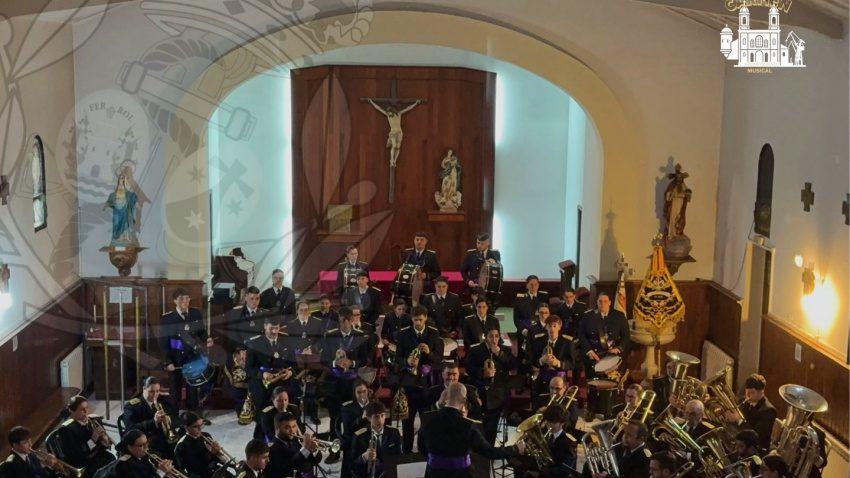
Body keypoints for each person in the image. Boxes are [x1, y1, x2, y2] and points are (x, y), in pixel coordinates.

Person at [417, 382, 525, 478]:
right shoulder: (467, 425)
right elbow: (488, 452)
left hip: (433, 472)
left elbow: (421, 447)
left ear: (445, 397)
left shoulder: (427, 419)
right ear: (464, 400)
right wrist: (515, 449)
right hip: (461, 473)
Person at [395, 307, 443, 454]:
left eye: (420, 320)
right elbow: (397, 357)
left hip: (426, 384)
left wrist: (430, 352)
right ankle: (407, 451)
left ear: (426, 318)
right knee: (407, 422)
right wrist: (406, 361)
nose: (418, 323)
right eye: (415, 320)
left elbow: (439, 359)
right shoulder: (404, 334)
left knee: (426, 421)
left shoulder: (433, 334)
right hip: (409, 383)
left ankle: (424, 451)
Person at [158, 288, 213, 411]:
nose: (185, 301)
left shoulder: (195, 313)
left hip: (191, 357)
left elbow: (201, 331)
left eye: (187, 298)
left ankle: (193, 417)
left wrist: (207, 339)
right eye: (182, 299)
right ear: (175, 301)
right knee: (175, 390)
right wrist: (168, 361)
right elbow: (163, 342)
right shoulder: (168, 318)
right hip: (175, 358)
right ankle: (174, 418)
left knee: (192, 389)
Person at [322, 312, 369, 452]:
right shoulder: (331, 335)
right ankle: (334, 451)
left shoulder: (360, 335)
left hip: (353, 383)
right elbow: (323, 358)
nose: (342, 324)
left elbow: (365, 359)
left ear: (351, 320)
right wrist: (334, 362)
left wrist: (352, 362)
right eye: (340, 321)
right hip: (336, 382)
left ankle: (355, 448)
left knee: (355, 414)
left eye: (345, 320)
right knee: (334, 416)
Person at [465, 328, 517, 443]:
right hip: (481, 392)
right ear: (485, 337)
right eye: (491, 336)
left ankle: (490, 449)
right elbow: (469, 369)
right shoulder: (476, 350)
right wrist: (483, 373)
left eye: (496, 336)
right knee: (480, 426)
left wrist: (499, 353)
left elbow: (512, 365)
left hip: (497, 394)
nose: (494, 339)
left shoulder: (505, 350)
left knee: (492, 427)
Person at [246, 315, 292, 440]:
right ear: (265, 326)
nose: (274, 332)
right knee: (263, 418)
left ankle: (283, 442)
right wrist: (262, 375)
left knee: (282, 416)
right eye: (271, 328)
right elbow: (249, 368)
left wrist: (290, 372)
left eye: (276, 328)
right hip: (262, 387)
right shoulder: (254, 342)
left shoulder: (286, 339)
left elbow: (293, 363)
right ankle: (261, 444)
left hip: (281, 385)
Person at [53, 396, 115, 478]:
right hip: (82, 462)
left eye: (87, 408)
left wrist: (104, 438)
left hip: (97, 455)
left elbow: (106, 446)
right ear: (72, 411)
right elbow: (75, 454)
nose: (86, 412)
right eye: (81, 409)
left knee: (112, 460)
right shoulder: (66, 430)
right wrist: (92, 440)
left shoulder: (94, 419)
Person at [510, 405, 577, 478]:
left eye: (553, 422)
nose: (549, 425)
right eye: (548, 421)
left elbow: (565, 469)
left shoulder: (567, 442)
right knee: (517, 463)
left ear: (562, 423)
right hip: (540, 470)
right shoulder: (544, 432)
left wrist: (540, 474)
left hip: (551, 475)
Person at [122, 377, 178, 460]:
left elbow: (178, 419)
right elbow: (131, 428)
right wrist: (153, 422)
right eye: (151, 391)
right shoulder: (132, 406)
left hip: (163, 439)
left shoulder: (163, 401)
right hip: (147, 443)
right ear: (144, 389)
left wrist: (169, 419)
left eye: (157, 391)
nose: (155, 395)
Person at [578, 292, 630, 377]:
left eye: (605, 301)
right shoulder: (588, 316)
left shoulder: (619, 316)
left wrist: (618, 348)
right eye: (600, 301)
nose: (603, 304)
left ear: (610, 302)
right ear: (596, 302)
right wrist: (589, 351)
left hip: (613, 353)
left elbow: (626, 336)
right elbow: (581, 334)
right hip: (594, 354)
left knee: (612, 382)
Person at [723, 374, 776, 452]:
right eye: (746, 392)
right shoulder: (744, 401)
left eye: (752, 392)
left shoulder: (768, 410)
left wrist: (739, 420)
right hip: (740, 445)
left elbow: (757, 435)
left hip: (756, 449)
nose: (748, 396)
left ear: (761, 392)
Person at [350, 402, 402, 478]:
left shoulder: (394, 433)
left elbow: (399, 458)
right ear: (368, 418)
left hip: (388, 473)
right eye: (376, 417)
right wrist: (363, 457)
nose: (380, 420)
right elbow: (352, 465)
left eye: (382, 415)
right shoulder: (359, 436)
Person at [366, 98, 422, 168]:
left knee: (398, 147)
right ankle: (391, 160)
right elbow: (378, 108)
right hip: (393, 133)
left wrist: (415, 103)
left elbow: (408, 108)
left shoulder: (399, 114)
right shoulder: (388, 115)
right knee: (394, 146)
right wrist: (371, 102)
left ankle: (394, 161)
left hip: (399, 132)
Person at [265, 412, 321, 478]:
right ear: (277, 428)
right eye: (287, 427)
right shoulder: (272, 448)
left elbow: (314, 461)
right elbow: (288, 469)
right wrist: (305, 448)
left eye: (294, 426)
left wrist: (314, 450)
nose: (292, 431)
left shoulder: (296, 440)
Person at [529, 315, 574, 396]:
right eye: (549, 326)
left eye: (554, 326)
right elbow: (532, 360)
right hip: (543, 377)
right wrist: (541, 361)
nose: (552, 329)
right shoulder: (539, 341)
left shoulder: (567, 342)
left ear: (559, 327)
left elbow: (572, 364)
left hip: (560, 377)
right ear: (546, 327)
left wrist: (558, 363)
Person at [332, 380, 372, 468]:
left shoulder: (374, 404)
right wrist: (361, 418)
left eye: (364, 391)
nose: (362, 395)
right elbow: (348, 429)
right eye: (359, 392)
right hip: (354, 441)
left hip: (370, 439)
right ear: (354, 393)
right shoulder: (348, 407)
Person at [513, 275, 549, 368]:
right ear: (527, 285)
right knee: (523, 357)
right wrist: (522, 330)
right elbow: (516, 318)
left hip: (539, 329)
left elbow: (546, 314)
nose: (533, 287)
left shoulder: (544, 296)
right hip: (525, 329)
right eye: (531, 285)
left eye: (536, 284)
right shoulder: (520, 298)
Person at [173, 411, 223, 478]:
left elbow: (214, 460)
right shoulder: (182, 446)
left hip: (214, 470)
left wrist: (218, 453)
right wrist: (211, 453)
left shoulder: (206, 435)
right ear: (186, 427)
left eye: (201, 425)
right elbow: (198, 467)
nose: (200, 429)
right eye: (196, 426)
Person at [103, 173, 139, 246]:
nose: (121, 179)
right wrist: (106, 206)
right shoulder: (114, 193)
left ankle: (125, 238)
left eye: (123, 178)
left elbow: (132, 197)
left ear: (125, 180)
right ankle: (116, 239)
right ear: (118, 180)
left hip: (124, 209)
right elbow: (111, 198)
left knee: (125, 223)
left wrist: (135, 202)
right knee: (116, 223)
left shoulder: (128, 193)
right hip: (117, 210)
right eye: (120, 178)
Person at [663, 164, 692, 239]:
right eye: (678, 177)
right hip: (674, 204)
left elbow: (687, 195)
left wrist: (688, 193)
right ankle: (672, 234)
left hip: (681, 204)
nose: (679, 179)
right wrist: (670, 194)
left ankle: (678, 233)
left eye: (680, 177)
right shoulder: (672, 185)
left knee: (680, 218)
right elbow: (667, 196)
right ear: (676, 178)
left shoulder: (683, 185)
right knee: (673, 218)